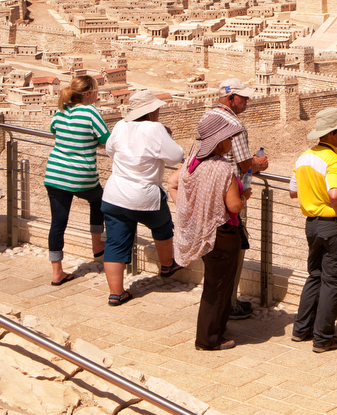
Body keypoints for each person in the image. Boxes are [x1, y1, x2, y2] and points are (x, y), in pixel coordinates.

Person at [100, 89, 186, 306]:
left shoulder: (120, 125)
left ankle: (116, 293)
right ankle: (167, 264)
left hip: (115, 194)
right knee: (163, 225)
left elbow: (111, 150)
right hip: (145, 195)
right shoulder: (154, 128)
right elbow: (176, 156)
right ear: (150, 112)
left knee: (115, 243)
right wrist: (165, 136)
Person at [174, 115, 246, 351]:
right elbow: (233, 206)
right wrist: (244, 197)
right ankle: (208, 339)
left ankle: (217, 329)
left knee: (217, 284)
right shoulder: (222, 168)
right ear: (219, 141)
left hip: (202, 231)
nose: (230, 143)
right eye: (228, 139)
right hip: (221, 233)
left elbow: (173, 184)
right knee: (218, 287)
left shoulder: (192, 162)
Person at [202, 78, 269, 322]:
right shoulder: (234, 124)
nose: (248, 100)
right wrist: (258, 164)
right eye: (244, 97)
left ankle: (219, 300)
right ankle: (228, 304)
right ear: (231, 98)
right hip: (230, 194)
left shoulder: (207, 117)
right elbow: (243, 164)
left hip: (207, 190)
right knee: (233, 250)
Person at [292, 107, 337, 352]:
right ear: (332, 134)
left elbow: (292, 191)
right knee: (332, 281)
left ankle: (301, 329)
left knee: (315, 276)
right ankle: (323, 337)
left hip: (311, 224)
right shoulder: (333, 159)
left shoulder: (303, 157)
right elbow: (335, 193)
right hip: (332, 225)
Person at [43, 74, 109, 285]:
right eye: (96, 93)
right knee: (99, 200)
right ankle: (97, 244)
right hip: (80, 175)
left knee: (57, 223)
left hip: (54, 174)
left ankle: (57, 273)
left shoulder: (61, 110)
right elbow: (105, 138)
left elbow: (53, 129)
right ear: (88, 94)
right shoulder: (90, 112)